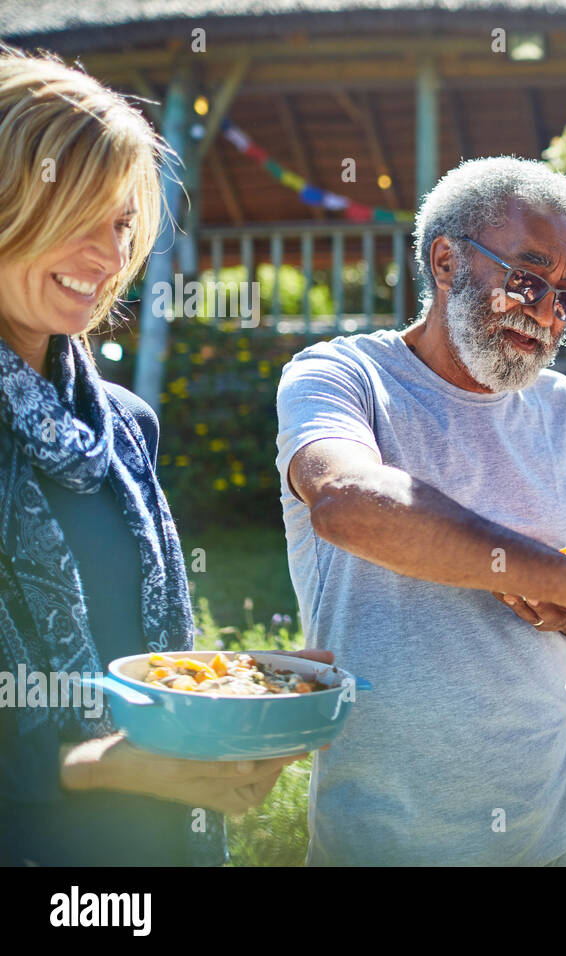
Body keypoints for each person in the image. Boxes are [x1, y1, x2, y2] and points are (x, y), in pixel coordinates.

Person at [276, 156, 566, 866]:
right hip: (380, 836)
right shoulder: (342, 375)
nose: (549, 313)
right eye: (528, 278)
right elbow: (345, 502)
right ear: (448, 261)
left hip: (543, 828)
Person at [0, 48, 303, 866]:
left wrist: (247, 683)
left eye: (122, 223)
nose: (105, 256)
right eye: (77, 213)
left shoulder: (124, 425)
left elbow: (129, 642)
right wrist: (105, 765)